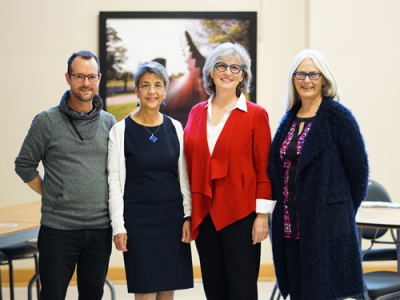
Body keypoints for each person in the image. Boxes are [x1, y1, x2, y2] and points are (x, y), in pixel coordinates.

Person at [14, 50, 116, 300]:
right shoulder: (46, 121)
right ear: (68, 78)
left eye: (91, 76)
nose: (86, 83)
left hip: (100, 229)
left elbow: (117, 172)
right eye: (79, 76)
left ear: (99, 78)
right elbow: (24, 164)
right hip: (58, 230)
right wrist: (51, 193)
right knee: (52, 295)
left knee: (92, 295)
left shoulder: (109, 122)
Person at [268, 49, 369, 300]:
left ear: (324, 79)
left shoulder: (338, 117)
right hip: (289, 226)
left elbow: (359, 172)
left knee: (321, 294)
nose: (307, 80)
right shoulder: (289, 119)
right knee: (298, 293)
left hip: (324, 227)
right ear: (293, 79)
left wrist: (337, 210)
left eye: (313, 74)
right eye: (300, 74)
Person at [183, 42, 276, 300]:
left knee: (242, 290)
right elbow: (188, 166)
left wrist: (262, 216)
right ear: (211, 72)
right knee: (214, 289)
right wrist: (188, 213)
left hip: (241, 216)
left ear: (243, 75)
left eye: (236, 68)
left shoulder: (256, 115)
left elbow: (265, 168)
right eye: (221, 65)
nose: (228, 72)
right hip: (205, 214)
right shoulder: (195, 113)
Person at [107, 61, 193, 300]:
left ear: (165, 90)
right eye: (145, 85)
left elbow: (183, 177)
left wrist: (188, 216)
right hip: (137, 223)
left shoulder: (176, 128)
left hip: (171, 220)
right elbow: (114, 181)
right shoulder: (120, 130)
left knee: (167, 290)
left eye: (158, 85)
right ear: (136, 90)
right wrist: (119, 225)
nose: (152, 91)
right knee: (144, 290)